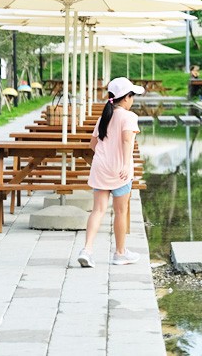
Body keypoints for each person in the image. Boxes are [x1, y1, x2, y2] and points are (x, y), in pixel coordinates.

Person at [77, 76, 144, 268]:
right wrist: (124, 164)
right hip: (120, 171)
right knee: (121, 212)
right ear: (126, 98)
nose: (133, 100)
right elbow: (126, 141)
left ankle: (87, 250)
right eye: (132, 96)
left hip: (100, 168)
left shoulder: (103, 116)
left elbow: (92, 144)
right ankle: (120, 253)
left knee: (98, 210)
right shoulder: (129, 117)